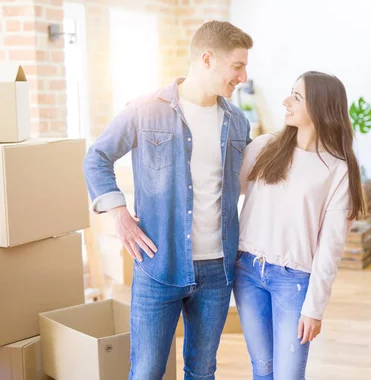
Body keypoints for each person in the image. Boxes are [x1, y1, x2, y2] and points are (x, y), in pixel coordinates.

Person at [82, 20, 253, 380]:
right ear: (207, 59)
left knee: (202, 370)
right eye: (237, 66)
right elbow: (97, 157)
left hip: (217, 270)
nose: (243, 76)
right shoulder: (146, 109)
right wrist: (120, 215)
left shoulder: (237, 122)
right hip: (159, 265)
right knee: (146, 371)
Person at [233, 71, 366, 379]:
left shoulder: (337, 170)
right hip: (248, 271)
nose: (285, 101)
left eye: (296, 96)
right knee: (262, 368)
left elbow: (331, 247)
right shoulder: (265, 147)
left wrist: (314, 307)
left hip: (293, 282)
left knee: (288, 375)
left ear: (320, 107)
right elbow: (225, 193)